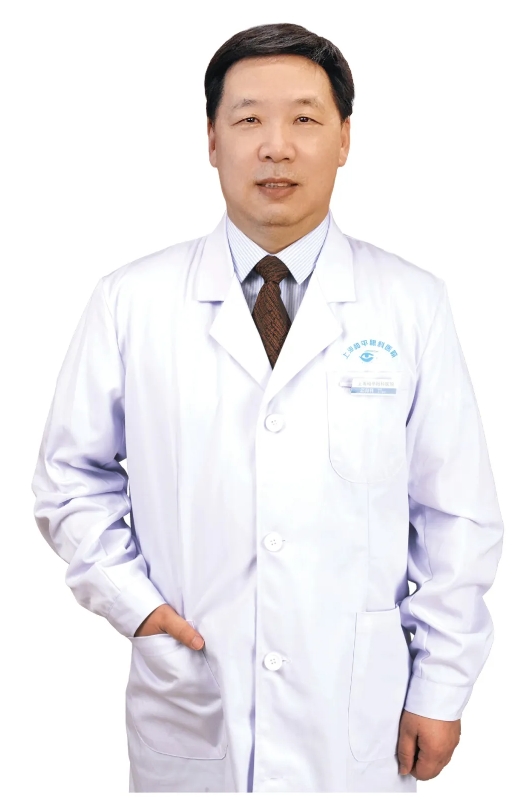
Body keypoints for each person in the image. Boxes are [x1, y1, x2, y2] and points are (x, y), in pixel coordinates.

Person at [31, 22, 504, 794]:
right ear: (212, 139)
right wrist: (136, 605)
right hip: (193, 698)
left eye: (305, 119)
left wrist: (442, 684)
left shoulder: (412, 303)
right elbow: (69, 478)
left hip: (356, 710)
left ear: (344, 139)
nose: (276, 146)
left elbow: (456, 512)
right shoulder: (131, 301)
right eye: (249, 118)